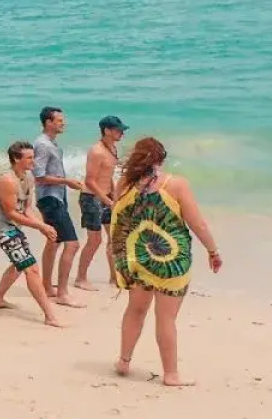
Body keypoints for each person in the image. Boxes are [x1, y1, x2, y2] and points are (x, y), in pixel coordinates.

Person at [112, 137, 223, 387]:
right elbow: (198, 224)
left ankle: (124, 361)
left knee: (135, 309)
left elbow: (119, 217)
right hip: (170, 260)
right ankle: (171, 375)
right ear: (160, 159)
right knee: (166, 318)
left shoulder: (126, 184)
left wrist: (117, 253)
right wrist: (213, 251)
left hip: (138, 257)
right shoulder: (176, 184)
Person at [0, 141, 63, 326]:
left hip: (13, 227)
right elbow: (11, 213)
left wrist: (43, 226)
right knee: (31, 268)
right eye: (29, 158)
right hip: (0, 229)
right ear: (16, 159)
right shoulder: (7, 180)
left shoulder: (28, 177)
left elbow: (27, 209)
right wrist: (40, 228)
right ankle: (50, 316)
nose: (33, 161)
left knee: (18, 264)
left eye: (33, 157)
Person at [34, 106, 87, 307]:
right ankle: (62, 293)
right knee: (72, 243)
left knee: (54, 241)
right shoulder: (43, 145)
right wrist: (67, 182)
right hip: (50, 198)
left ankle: (47, 286)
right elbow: (38, 177)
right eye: (59, 120)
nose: (63, 123)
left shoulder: (51, 144)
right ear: (48, 122)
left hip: (54, 197)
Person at [76, 115, 127, 289]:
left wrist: (113, 195)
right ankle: (80, 278)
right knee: (95, 240)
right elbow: (90, 180)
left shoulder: (112, 148)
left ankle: (114, 278)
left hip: (106, 198)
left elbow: (108, 175)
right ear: (106, 130)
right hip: (91, 198)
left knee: (114, 237)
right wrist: (106, 200)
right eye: (118, 130)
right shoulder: (96, 151)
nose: (122, 133)